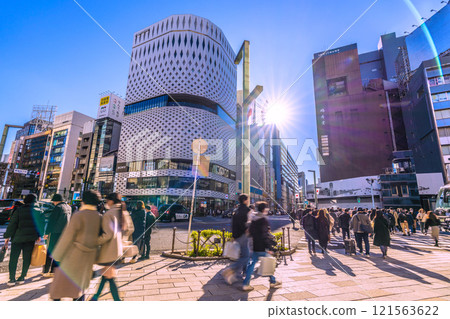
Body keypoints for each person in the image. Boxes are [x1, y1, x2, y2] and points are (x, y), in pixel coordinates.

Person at [49, 190, 102, 301]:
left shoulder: (79, 215)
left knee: (59, 288)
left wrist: (57, 255)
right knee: (80, 288)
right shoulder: (99, 217)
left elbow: (67, 237)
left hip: (73, 256)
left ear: (84, 200)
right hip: (88, 257)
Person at [91, 193, 126, 301]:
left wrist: (95, 241)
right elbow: (128, 229)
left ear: (111, 201)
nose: (106, 202)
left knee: (108, 276)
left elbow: (108, 234)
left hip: (108, 249)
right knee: (107, 276)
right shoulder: (122, 212)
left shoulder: (109, 214)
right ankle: (96, 297)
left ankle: (99, 298)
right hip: (116, 248)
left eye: (106, 200)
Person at [3, 194, 43, 286]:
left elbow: (12, 224)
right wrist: (39, 235)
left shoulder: (19, 210)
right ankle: (22, 277)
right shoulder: (38, 211)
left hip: (17, 238)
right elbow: (40, 226)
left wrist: (7, 236)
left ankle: (12, 279)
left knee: (13, 258)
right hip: (30, 239)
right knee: (27, 258)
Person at [242, 201, 281, 291]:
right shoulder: (263, 220)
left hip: (255, 244)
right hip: (262, 246)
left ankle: (246, 283)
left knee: (253, 264)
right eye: (266, 208)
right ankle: (273, 281)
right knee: (269, 262)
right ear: (264, 209)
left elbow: (250, 232)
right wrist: (269, 247)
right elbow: (264, 235)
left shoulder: (254, 219)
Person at [222, 194, 251, 285]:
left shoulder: (236, 210)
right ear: (245, 200)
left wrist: (234, 236)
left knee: (242, 255)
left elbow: (233, 224)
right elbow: (248, 223)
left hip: (237, 236)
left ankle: (238, 273)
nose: (248, 201)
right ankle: (231, 269)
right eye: (247, 199)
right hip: (243, 235)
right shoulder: (247, 210)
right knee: (246, 256)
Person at [43, 194, 71, 277]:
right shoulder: (69, 207)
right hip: (64, 233)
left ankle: (46, 270)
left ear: (56, 201)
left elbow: (52, 221)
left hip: (55, 232)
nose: (53, 203)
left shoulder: (58, 208)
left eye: (53, 202)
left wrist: (47, 233)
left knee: (50, 251)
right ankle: (54, 270)